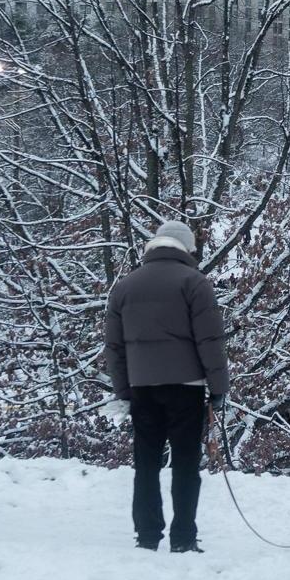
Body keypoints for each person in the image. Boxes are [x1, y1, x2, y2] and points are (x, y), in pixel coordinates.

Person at [105, 220, 230, 553]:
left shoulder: (125, 286)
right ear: (186, 249)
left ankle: (147, 535)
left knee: (146, 462)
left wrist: (124, 390)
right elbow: (210, 341)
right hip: (186, 387)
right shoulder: (195, 283)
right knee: (186, 464)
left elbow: (114, 347)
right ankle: (183, 537)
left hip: (142, 386)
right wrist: (218, 388)